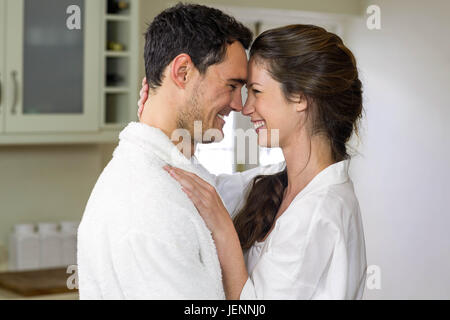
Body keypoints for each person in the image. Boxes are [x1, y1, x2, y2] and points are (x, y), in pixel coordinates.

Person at [138, 24, 367, 299]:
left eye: (256, 91)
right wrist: (159, 128)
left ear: (300, 98)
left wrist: (223, 230)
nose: (245, 108)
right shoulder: (276, 182)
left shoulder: (320, 212)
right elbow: (202, 192)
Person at [77, 3, 253, 299]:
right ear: (183, 72)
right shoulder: (149, 205)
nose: (239, 104)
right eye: (232, 85)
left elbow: (235, 188)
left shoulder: (170, 173)